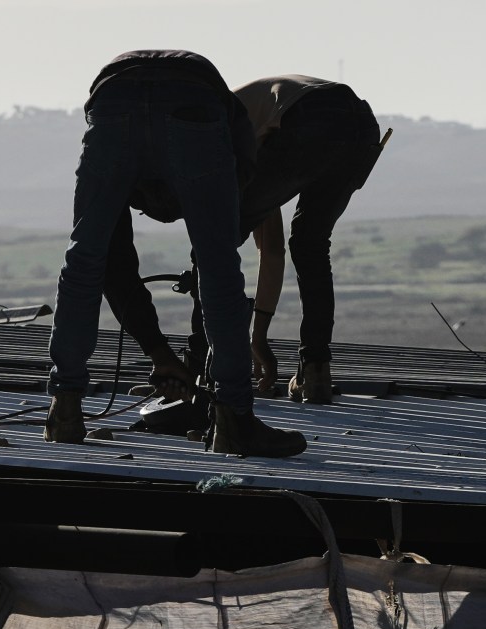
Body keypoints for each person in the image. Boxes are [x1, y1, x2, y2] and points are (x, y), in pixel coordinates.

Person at [46, 49, 306, 458]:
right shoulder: (223, 144)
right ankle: (234, 420)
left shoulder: (125, 165)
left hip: (114, 99)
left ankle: (65, 409)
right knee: (219, 267)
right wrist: (164, 355)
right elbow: (218, 250)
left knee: (83, 259)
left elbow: (107, 267)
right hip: (193, 99)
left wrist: (162, 355)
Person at [232, 76, 386, 404]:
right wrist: (258, 338)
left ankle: (210, 366)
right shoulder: (250, 115)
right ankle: (315, 370)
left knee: (218, 238)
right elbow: (272, 250)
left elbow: (269, 248)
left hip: (309, 117)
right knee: (309, 243)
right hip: (359, 125)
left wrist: (256, 339)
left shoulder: (218, 131)